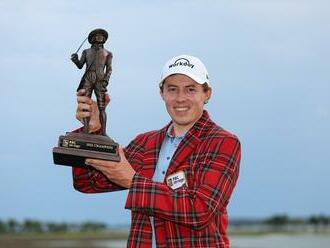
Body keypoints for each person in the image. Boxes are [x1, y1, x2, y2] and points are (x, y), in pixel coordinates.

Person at [72, 55, 241, 247]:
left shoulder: (223, 142)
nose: (180, 98)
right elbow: (88, 182)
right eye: (172, 89)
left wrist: (132, 181)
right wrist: (92, 131)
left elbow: (199, 211)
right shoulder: (145, 143)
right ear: (162, 93)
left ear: (207, 93)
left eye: (191, 89)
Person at [71, 28, 113, 135]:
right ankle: (86, 130)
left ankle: (103, 133)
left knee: (101, 107)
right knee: (86, 104)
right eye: (98, 36)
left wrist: (105, 81)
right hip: (88, 78)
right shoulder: (86, 52)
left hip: (100, 80)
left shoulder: (108, 53)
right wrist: (75, 60)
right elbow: (80, 65)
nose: (100, 37)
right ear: (93, 39)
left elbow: (109, 69)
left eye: (102, 36)